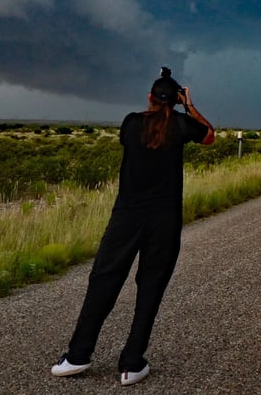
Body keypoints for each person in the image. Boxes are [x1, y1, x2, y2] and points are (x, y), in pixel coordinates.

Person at [52, 67, 215, 385]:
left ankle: (77, 356)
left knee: (103, 281)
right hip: (165, 220)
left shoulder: (130, 124)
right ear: (176, 100)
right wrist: (189, 106)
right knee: (150, 289)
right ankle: (131, 364)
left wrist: (169, 105)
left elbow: (146, 130)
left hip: (126, 218)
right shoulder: (182, 125)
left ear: (150, 98)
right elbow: (209, 135)